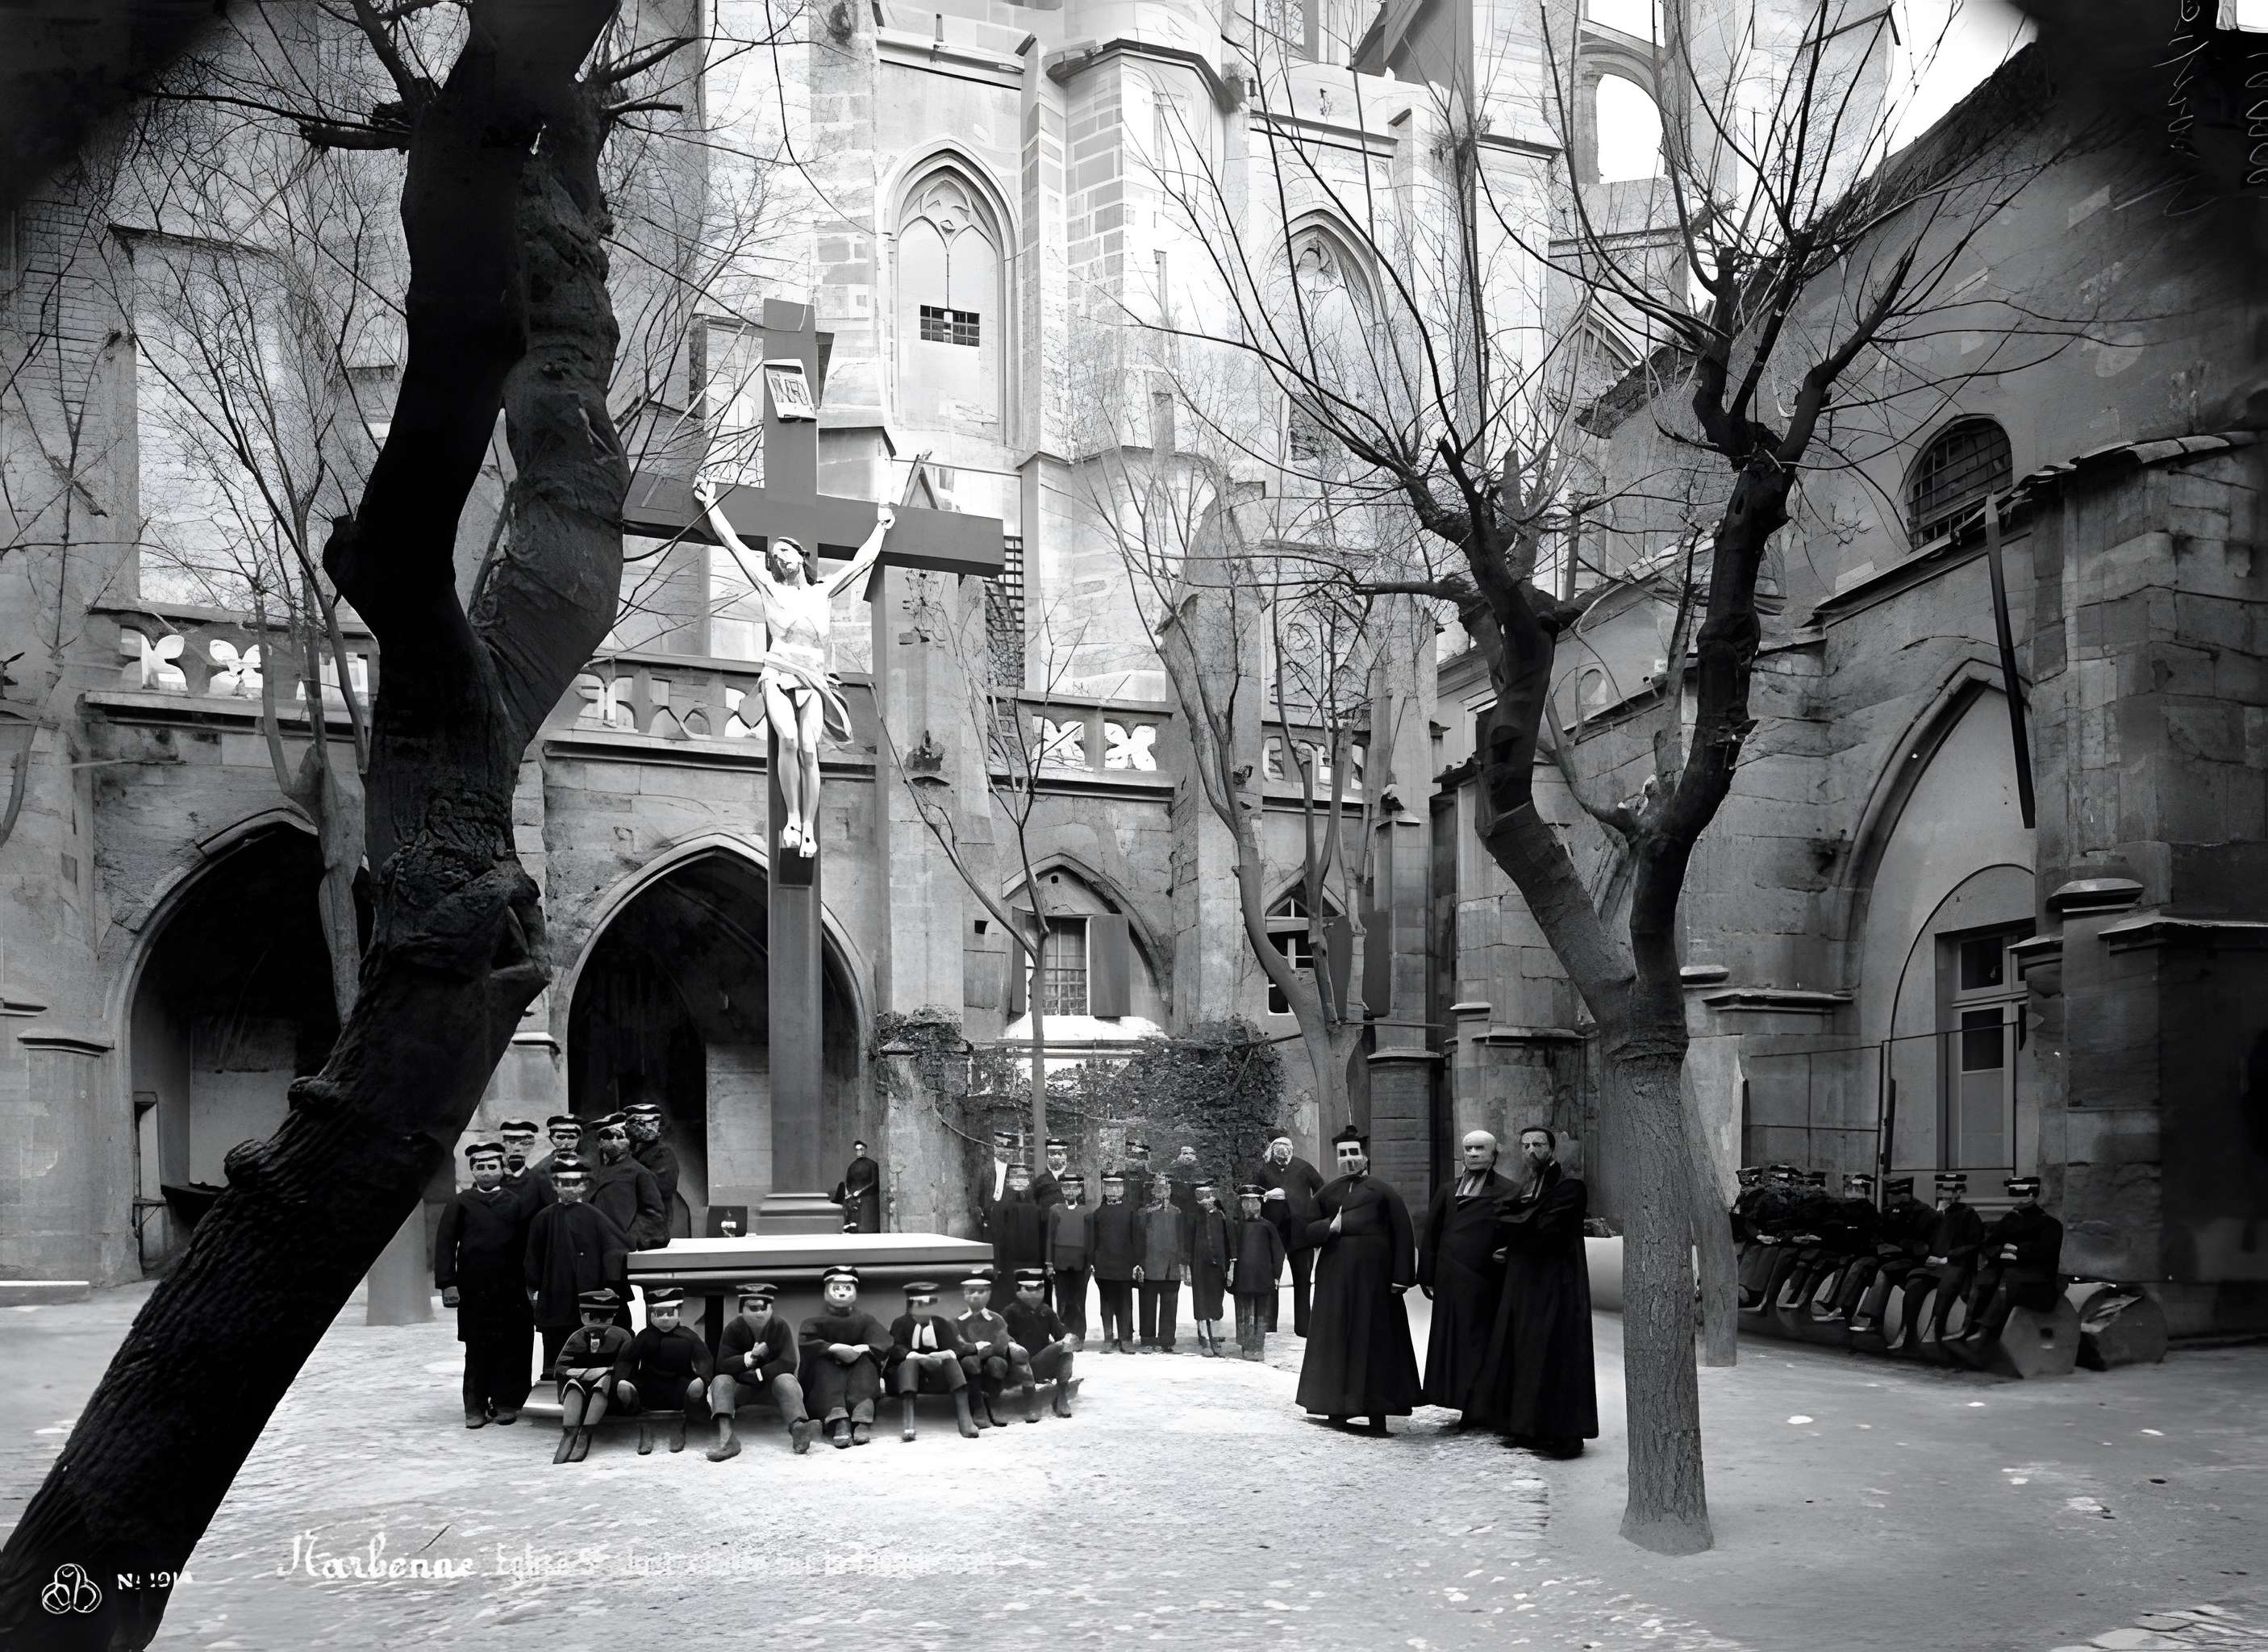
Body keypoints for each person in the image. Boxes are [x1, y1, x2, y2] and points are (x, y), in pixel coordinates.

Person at [692, 478, 894, 857]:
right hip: (778, 673)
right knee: (786, 738)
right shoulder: (771, 589)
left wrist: (881, 526)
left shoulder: (823, 592)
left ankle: (809, 830)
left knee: (808, 748)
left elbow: (863, 561)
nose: (779, 558)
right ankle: (793, 819)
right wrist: (711, 505)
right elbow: (734, 545)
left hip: (814, 679)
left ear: (801, 556)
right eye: (774, 556)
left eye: (786, 552)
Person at [1467, 1126, 1597, 1458]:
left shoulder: (1570, 1187)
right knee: (1523, 1349)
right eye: (1525, 1145)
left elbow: (1543, 1226)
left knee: (1555, 1351)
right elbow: (1513, 1216)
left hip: (1557, 1284)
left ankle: (1563, 1433)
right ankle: (1525, 1427)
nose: (1530, 1151)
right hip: (1526, 1282)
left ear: (1551, 1149)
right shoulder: (1526, 1186)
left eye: (1538, 1144)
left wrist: (1514, 1237)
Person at [1296, 1124, 1420, 1435]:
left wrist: (1402, 1277)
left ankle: (1377, 1412)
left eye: (1354, 1153)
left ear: (1365, 1156)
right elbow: (1306, 1231)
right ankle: (1334, 1409)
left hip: (1374, 1283)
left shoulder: (1383, 1192)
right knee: (1334, 1340)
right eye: (1343, 1154)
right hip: (1334, 1281)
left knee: (1374, 1341)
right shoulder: (1328, 1192)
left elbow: (1403, 1234)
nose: (1349, 1159)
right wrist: (1330, 1228)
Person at [436, 1140, 537, 1428]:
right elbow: (445, 1244)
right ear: (472, 1171)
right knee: (478, 1348)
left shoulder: (515, 1202)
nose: (486, 1171)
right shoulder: (460, 1203)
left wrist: (531, 1284)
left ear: (502, 1169)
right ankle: (475, 1407)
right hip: (474, 1291)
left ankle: (507, 1402)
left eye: (492, 1166)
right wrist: (448, 1284)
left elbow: (526, 1245)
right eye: (480, 1167)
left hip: (510, 1289)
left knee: (510, 1346)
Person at [1417, 1130, 1515, 1417]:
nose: (1473, 1154)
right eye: (1469, 1148)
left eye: (1480, 1149)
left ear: (1493, 1153)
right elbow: (1431, 1234)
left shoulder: (1509, 1191)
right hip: (1450, 1282)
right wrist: (1427, 1275)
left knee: (1481, 1343)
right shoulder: (1448, 1190)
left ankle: (1482, 1406)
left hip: (1486, 1283)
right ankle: (1456, 1399)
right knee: (1453, 1344)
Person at [523, 1157, 629, 1370]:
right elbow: (532, 1257)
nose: (568, 1188)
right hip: (556, 1294)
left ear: (583, 1185)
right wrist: (533, 1288)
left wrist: (611, 1284)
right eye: (563, 1182)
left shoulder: (597, 1217)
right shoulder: (543, 1218)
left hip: (590, 1295)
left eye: (574, 1183)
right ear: (554, 1185)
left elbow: (616, 1250)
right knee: (555, 1348)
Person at [709, 1281, 813, 1458]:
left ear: (771, 1309)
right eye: (753, 1308)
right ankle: (727, 1439)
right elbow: (723, 1365)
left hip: (771, 1389)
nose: (760, 1313)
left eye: (764, 1308)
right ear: (741, 1310)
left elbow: (788, 1362)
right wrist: (750, 1357)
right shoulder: (733, 1328)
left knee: (787, 1379)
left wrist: (759, 1374)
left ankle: (798, 1428)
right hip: (742, 1390)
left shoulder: (780, 1326)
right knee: (721, 1381)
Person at [1957, 1176, 2064, 1347]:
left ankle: (1985, 1333)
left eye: (2017, 1195)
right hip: (2008, 1272)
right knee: (1986, 1278)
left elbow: (2043, 1254)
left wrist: (2016, 1252)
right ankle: (1969, 1328)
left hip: (2037, 1283)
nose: (2012, 1200)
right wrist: (2005, 1252)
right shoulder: (2010, 1219)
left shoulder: (2050, 1225)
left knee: (2007, 1282)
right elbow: (1990, 1245)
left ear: (2031, 1196)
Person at [798, 1263, 892, 1449]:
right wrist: (832, 1348)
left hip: (858, 1370)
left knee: (866, 1364)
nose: (841, 1293)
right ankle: (839, 1420)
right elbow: (807, 1344)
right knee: (823, 1366)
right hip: (828, 1373)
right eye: (836, 1288)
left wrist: (861, 1349)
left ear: (855, 1291)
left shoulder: (866, 1320)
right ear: (826, 1291)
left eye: (847, 1288)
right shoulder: (813, 1322)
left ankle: (862, 1419)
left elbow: (883, 1342)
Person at [614, 1286, 712, 1455]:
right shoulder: (643, 1337)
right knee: (624, 1387)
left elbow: (704, 1359)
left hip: (679, 1383)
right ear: (652, 1315)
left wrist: (703, 1378)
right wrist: (622, 1378)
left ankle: (681, 1422)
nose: (665, 1318)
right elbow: (627, 1359)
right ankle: (640, 1418)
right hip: (648, 1384)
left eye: (670, 1313)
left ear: (678, 1313)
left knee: (696, 1387)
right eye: (660, 1313)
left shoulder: (688, 1336)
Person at [886, 1280, 980, 1441]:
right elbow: (896, 1350)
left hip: (935, 1377)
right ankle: (909, 1421)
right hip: (903, 1381)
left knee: (951, 1360)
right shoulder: (900, 1323)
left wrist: (944, 1354)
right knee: (910, 1363)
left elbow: (956, 1347)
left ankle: (965, 1417)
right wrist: (917, 1357)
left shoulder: (941, 1324)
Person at [1254, 1130, 1327, 1335]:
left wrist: (1309, 1209)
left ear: (1291, 1151)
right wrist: (1267, 1196)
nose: (1282, 1153)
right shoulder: (1264, 1169)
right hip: (1273, 1230)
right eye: (1278, 1150)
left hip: (1300, 1230)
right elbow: (1254, 1192)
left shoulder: (1303, 1167)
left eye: (1285, 1150)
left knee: (1303, 1279)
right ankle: (1269, 1324)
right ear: (1272, 1151)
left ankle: (1304, 1326)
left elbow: (1322, 1190)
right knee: (1271, 1277)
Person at [548, 1287, 632, 1464]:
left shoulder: (622, 1336)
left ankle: (586, 1433)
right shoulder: (578, 1337)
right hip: (581, 1387)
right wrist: (582, 1373)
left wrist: (604, 1372)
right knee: (573, 1385)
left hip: (608, 1397)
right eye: (593, 1317)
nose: (598, 1322)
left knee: (604, 1382)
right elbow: (560, 1367)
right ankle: (570, 1432)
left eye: (605, 1317)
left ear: (613, 1317)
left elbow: (625, 1369)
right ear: (584, 1316)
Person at [1844, 1175, 1937, 1333]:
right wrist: (1879, 1245)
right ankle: (1845, 1308)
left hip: (1911, 1259)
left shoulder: (1924, 1214)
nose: (1890, 1198)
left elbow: (1923, 1246)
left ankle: (1872, 1316)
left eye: (1893, 1195)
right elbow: (1879, 1233)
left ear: (1904, 1194)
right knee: (1859, 1264)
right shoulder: (1890, 1212)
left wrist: (1900, 1246)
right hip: (1886, 1254)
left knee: (1884, 1271)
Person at [1907, 1172, 1987, 1345]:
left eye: (1949, 1190)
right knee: (1915, 1284)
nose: (1944, 1193)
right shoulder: (1935, 1215)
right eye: (1941, 1189)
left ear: (1958, 1192)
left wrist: (1946, 1259)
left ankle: (1936, 1329)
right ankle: (1908, 1332)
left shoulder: (1969, 1214)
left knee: (1947, 1285)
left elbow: (1974, 1245)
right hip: (1932, 1265)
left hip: (1955, 1266)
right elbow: (1923, 1240)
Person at [953, 1267, 1030, 1427]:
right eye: (970, 1291)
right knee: (969, 1363)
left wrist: (981, 1351)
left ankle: (993, 1405)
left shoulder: (997, 1319)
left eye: (980, 1292)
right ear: (964, 1295)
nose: (975, 1296)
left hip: (993, 1359)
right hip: (969, 1363)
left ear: (989, 1295)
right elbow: (958, 1346)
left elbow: (1001, 1346)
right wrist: (975, 1349)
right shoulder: (957, 1321)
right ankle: (979, 1408)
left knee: (997, 1364)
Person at [1002, 1267, 1080, 1419]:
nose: (1036, 1293)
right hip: (1019, 1366)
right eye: (1030, 1289)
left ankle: (1061, 1397)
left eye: (1039, 1288)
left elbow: (1061, 1335)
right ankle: (1030, 1403)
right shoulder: (1010, 1312)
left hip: (1041, 1363)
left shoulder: (1046, 1311)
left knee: (1065, 1349)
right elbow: (1002, 1338)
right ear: (1019, 1290)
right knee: (1059, 1347)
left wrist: (1070, 1339)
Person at [1229, 1185, 1286, 1362]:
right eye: (1247, 1201)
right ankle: (1246, 1345)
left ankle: (1257, 1346)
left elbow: (1278, 1252)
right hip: (1241, 1277)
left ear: (1261, 1204)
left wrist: (1276, 1275)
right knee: (1244, 1311)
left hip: (1263, 1277)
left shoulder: (1268, 1227)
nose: (1251, 1205)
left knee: (1261, 1313)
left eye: (1255, 1201)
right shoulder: (1236, 1226)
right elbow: (1231, 1251)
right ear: (1241, 1203)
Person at [1134, 1172, 1189, 1354]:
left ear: (1170, 1190)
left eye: (1165, 1187)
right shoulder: (1143, 1213)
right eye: (1158, 1187)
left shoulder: (1177, 1212)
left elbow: (1182, 1240)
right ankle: (1148, 1338)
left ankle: (1166, 1339)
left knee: (1170, 1303)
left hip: (1171, 1267)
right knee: (1147, 1303)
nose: (1162, 1191)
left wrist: (1183, 1263)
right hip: (1150, 1265)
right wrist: (1139, 1264)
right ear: (1152, 1190)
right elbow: (1138, 1241)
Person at [1089, 1170, 1141, 1354]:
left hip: (1124, 1266)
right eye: (1110, 1186)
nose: (1114, 1190)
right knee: (1106, 1303)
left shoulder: (1130, 1211)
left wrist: (1136, 1263)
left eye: (1118, 1186)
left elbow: (1137, 1239)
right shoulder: (1098, 1213)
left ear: (1123, 1189)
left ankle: (1126, 1339)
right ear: (1104, 1188)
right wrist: (1092, 1261)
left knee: (1125, 1303)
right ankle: (1108, 1338)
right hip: (1104, 1266)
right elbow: (1093, 1240)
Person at [625, 1099, 692, 1240]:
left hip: (655, 1223)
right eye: (642, 1123)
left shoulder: (663, 1153)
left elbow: (660, 1188)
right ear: (629, 1126)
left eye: (653, 1122)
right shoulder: (630, 1151)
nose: (650, 1128)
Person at [1186, 1179, 1233, 1357]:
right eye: (1201, 1196)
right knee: (1200, 1300)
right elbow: (1187, 1242)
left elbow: (1229, 1243)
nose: (1205, 1200)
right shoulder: (1193, 1216)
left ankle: (1216, 1336)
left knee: (1216, 1299)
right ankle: (1205, 1338)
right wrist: (1187, 1268)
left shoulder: (1220, 1216)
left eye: (1208, 1196)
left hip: (1218, 1264)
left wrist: (1230, 1266)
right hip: (1198, 1265)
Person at [1047, 1172, 1095, 1339]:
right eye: (1066, 1187)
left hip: (1080, 1262)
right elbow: (1050, 1237)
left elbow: (1090, 1239)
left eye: (1074, 1187)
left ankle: (1079, 1334)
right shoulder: (1055, 1210)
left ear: (1079, 1190)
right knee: (1062, 1299)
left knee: (1079, 1299)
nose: (1070, 1191)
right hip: (1060, 1261)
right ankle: (1064, 1335)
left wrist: (1090, 1262)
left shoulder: (1086, 1212)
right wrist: (1049, 1262)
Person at [990, 1162, 1050, 1279]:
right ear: (1008, 1181)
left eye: (1024, 1177)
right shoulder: (1000, 1208)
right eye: (1015, 1177)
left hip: (1033, 1263)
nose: (1020, 1181)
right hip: (1008, 1264)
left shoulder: (1038, 1207)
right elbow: (996, 1238)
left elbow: (1044, 1237)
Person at [497, 1120, 553, 1214]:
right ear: (503, 1144)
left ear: (532, 1146)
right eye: (511, 1141)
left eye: (524, 1143)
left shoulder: (540, 1179)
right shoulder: (492, 1175)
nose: (517, 1148)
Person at [835, 1139, 882, 1233]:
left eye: (861, 1149)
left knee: (868, 1225)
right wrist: (852, 1193)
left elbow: (874, 1182)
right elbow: (848, 1182)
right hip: (855, 1198)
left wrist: (860, 1192)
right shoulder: (852, 1166)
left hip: (870, 1199)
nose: (860, 1152)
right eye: (857, 1150)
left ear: (865, 1150)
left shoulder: (872, 1165)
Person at [976, 1127, 1016, 1238]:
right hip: (986, 1216)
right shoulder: (986, 1165)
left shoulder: (1011, 1170)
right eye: (1000, 1144)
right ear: (995, 1146)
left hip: (1001, 1220)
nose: (1005, 1148)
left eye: (1007, 1145)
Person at [532, 1115, 584, 1185]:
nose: (566, 1142)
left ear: (578, 1138)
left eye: (572, 1137)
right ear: (552, 1138)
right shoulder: (541, 1168)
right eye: (561, 1137)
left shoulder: (588, 1164)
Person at [1165, 1144, 1204, 1221]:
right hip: (1177, 1199)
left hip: (1192, 1201)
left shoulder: (1197, 1168)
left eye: (1190, 1154)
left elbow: (1200, 1181)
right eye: (1185, 1154)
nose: (1187, 1157)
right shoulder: (1175, 1166)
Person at [1032, 1138, 1072, 1212]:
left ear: (1065, 1156)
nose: (1056, 1156)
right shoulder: (1040, 1181)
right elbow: (1035, 1202)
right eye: (1053, 1153)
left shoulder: (1070, 1181)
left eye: (1059, 1153)